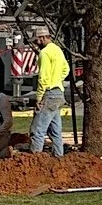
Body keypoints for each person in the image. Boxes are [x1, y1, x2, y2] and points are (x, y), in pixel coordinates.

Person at [30, 27, 69, 157]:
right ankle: (58, 157)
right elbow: (66, 69)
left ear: (42, 38)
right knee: (55, 130)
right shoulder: (57, 50)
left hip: (49, 94)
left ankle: (35, 160)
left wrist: (39, 98)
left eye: (36, 40)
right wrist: (57, 79)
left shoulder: (45, 53)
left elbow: (43, 77)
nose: (35, 43)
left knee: (37, 130)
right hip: (59, 93)